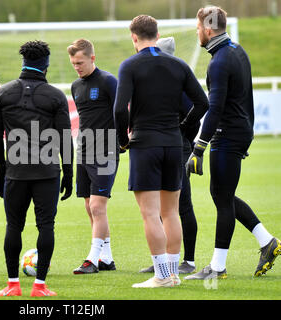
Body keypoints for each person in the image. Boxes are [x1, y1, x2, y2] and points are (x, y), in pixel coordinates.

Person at [182, 6, 281, 280]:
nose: (197, 32)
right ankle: (267, 242)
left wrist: (199, 147)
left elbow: (214, 109)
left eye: (198, 27)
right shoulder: (236, 51)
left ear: (208, 29)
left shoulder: (219, 61)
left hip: (227, 134)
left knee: (222, 198)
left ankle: (217, 267)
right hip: (238, 131)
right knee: (221, 194)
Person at [113, 15, 209, 288]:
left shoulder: (130, 65)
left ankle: (161, 275)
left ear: (134, 37)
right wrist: (182, 126)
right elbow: (202, 103)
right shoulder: (178, 65)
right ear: (156, 34)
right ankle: (174, 273)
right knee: (171, 212)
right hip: (173, 144)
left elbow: (120, 109)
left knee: (150, 213)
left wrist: (122, 141)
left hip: (145, 145)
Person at [0, 40, 73, 297]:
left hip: (15, 173)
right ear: (46, 65)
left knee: (13, 226)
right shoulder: (56, 96)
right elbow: (65, 137)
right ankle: (39, 286)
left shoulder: (3, 94)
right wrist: (69, 172)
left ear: (23, 61)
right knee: (46, 226)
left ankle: (13, 284)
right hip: (47, 173)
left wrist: (1, 170)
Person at [138, 37, 200, 275]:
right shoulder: (166, 80)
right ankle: (163, 260)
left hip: (178, 146)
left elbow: (197, 110)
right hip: (166, 145)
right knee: (164, 207)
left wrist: (183, 133)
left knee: (181, 205)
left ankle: (189, 261)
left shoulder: (179, 82)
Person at [67, 38, 119, 274]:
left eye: (80, 62)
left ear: (92, 58)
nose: (77, 67)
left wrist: (122, 139)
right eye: (73, 63)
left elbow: (122, 111)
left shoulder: (108, 81)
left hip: (105, 150)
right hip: (84, 150)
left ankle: (92, 259)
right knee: (90, 207)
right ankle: (106, 258)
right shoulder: (75, 86)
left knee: (98, 206)